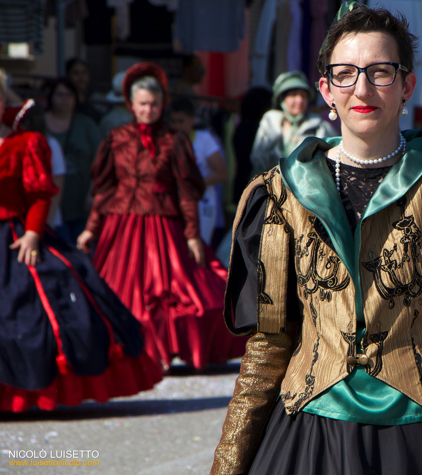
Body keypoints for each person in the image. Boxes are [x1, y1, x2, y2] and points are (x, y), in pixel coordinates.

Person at [212, 2, 422, 475]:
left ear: (406, 86)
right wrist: (227, 464)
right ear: (326, 90)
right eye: (345, 74)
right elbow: (268, 343)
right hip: (309, 436)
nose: (361, 88)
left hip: (421, 439)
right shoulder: (281, 192)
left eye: (380, 72)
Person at [77, 62, 247, 371]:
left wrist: (193, 235)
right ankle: (127, 354)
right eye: (142, 104)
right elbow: (105, 189)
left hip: (164, 228)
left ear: (162, 104)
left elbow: (186, 191)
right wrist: (91, 228)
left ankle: (162, 352)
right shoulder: (116, 138)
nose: (148, 110)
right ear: (131, 104)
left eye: (154, 104)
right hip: (122, 228)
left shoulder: (174, 140)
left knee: (174, 293)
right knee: (119, 293)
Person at [0, 92, 162, 412]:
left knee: (33, 308)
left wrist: (33, 233)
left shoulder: (26, 142)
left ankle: (31, 394)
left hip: (17, 236)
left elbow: (40, 193)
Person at [44, 78, 102, 244]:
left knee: (81, 251)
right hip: (51, 204)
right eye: (60, 94)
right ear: (51, 97)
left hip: (81, 204)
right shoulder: (41, 123)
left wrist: (93, 192)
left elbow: (100, 158)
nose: (64, 99)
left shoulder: (86, 124)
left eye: (69, 95)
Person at [166, 97, 229, 246]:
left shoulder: (204, 139)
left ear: (192, 120)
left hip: (203, 204)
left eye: (181, 121)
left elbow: (222, 173)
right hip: (175, 203)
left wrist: (191, 183)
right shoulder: (166, 141)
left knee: (199, 247)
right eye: (173, 121)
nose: (177, 126)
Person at [249, 70, 335, 174]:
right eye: (293, 95)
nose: (300, 100)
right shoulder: (270, 122)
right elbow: (257, 159)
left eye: (303, 96)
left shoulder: (320, 126)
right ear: (282, 99)